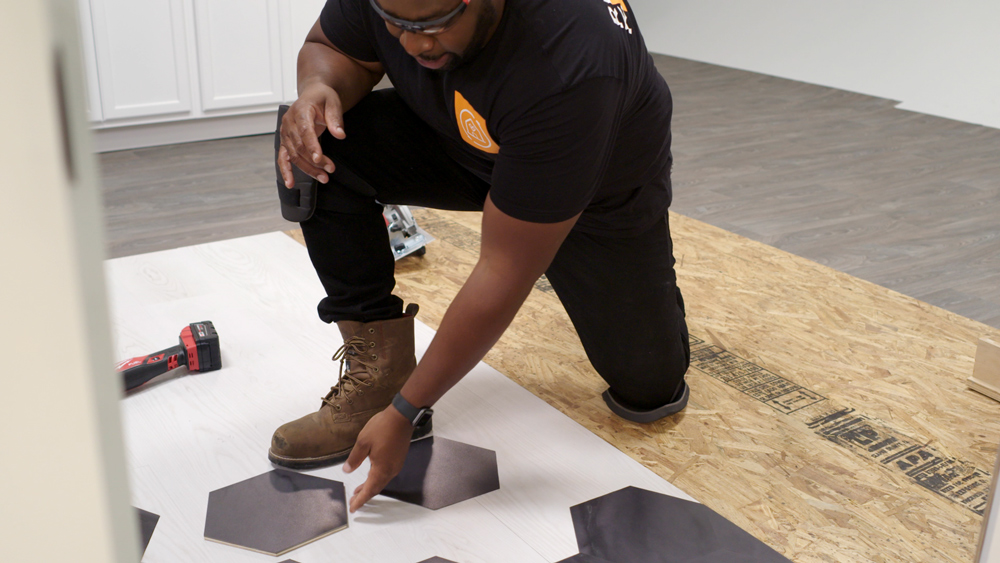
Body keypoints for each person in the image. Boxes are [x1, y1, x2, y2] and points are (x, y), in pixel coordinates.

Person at [270, 0, 690, 513]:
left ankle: (632, 286)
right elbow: (331, 46)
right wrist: (319, 89)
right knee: (312, 142)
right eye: (396, 24)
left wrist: (406, 414)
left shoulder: (571, 57)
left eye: (434, 25)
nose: (413, 44)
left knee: (648, 390)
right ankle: (380, 373)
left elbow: (504, 268)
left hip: (598, 190)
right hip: (470, 138)